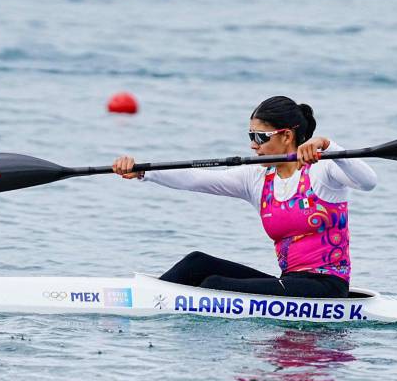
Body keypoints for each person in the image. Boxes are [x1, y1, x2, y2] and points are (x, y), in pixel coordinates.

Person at [113, 96, 376, 298]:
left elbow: (368, 182)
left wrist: (328, 146)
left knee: (215, 286)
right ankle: (145, 299)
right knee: (197, 263)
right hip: (291, 281)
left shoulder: (324, 170)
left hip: (327, 288)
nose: (253, 145)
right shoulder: (257, 179)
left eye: (260, 137)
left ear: (287, 136)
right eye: (250, 136)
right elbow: (196, 179)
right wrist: (142, 172)